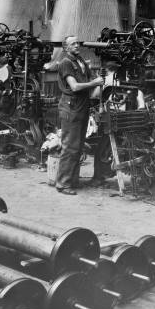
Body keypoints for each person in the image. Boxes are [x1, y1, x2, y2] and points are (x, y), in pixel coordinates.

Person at [56, 35, 104, 195]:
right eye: (73, 44)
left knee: (77, 146)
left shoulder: (81, 61)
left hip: (82, 106)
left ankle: (72, 181)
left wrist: (102, 81)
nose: (77, 45)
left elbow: (92, 80)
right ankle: (62, 183)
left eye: (78, 43)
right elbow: (75, 87)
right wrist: (95, 83)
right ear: (66, 48)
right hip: (71, 107)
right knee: (69, 146)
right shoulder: (65, 63)